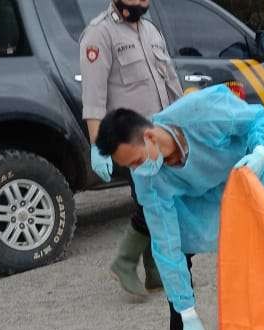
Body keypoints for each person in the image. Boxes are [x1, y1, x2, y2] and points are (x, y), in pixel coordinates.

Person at [95, 86, 264, 330]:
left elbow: (257, 119)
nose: (137, 171)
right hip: (193, 200)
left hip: (243, 171)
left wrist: (261, 151)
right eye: (129, 167)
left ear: (150, 136)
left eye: (137, 161)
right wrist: (187, 313)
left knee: (257, 252)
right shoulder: (148, 179)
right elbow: (166, 246)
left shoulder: (202, 112)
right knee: (178, 255)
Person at [80, 0, 182, 297]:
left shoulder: (151, 31)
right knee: (149, 203)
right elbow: (94, 97)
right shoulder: (99, 34)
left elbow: (171, 82)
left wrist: (181, 121)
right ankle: (124, 262)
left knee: (162, 201)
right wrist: (98, 145)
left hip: (160, 136)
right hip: (131, 143)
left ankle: (154, 269)